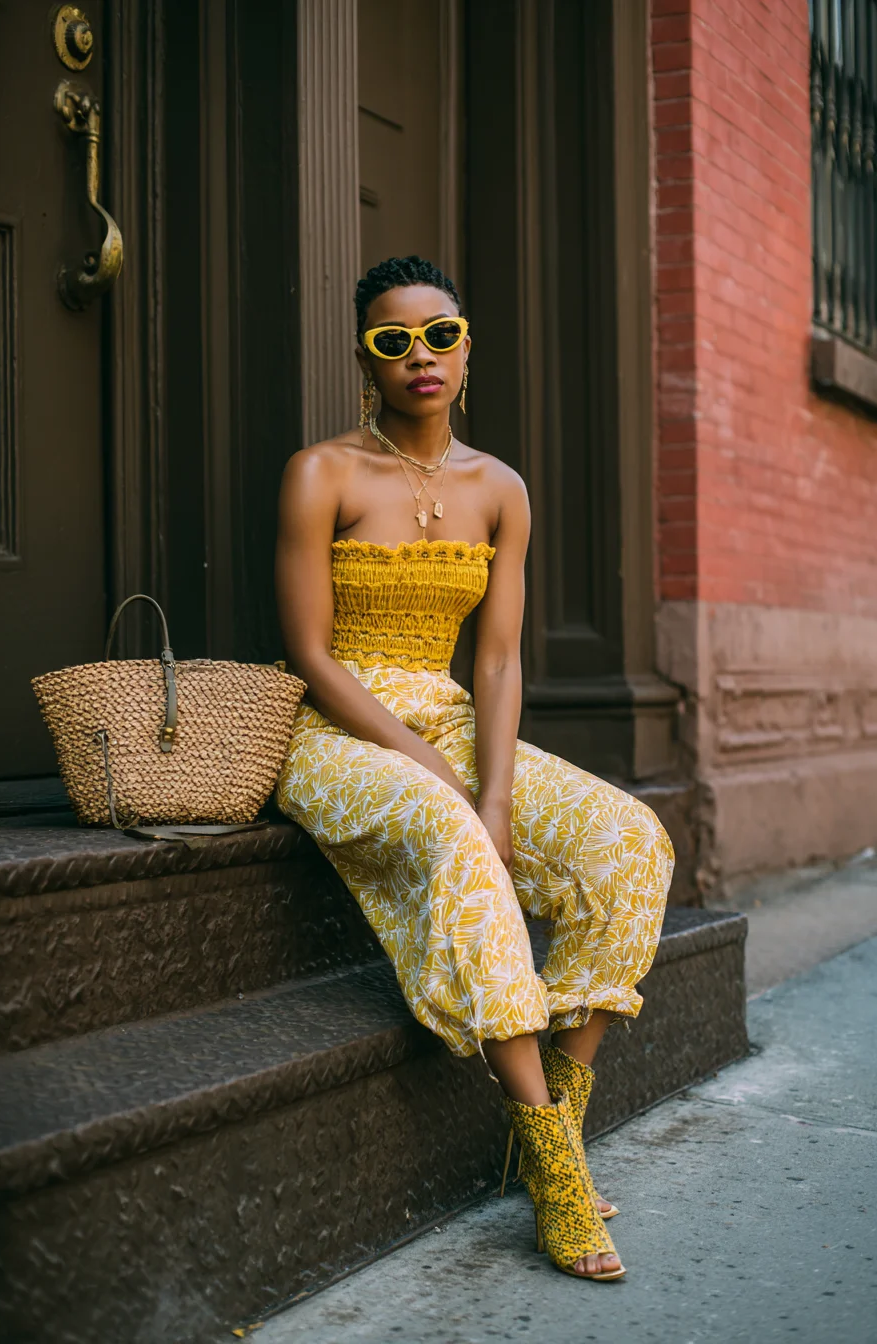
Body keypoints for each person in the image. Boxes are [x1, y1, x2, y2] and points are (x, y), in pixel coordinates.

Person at [275, 255, 674, 1281]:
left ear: (465, 346)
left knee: (628, 841)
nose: (419, 357)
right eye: (391, 340)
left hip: (451, 727)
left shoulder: (499, 488)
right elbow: (312, 657)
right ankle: (552, 1174)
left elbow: (495, 659)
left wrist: (491, 789)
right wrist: (439, 778)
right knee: (455, 835)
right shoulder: (320, 472)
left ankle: (558, 1130)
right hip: (338, 734)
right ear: (364, 359)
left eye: (438, 335)